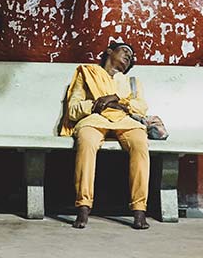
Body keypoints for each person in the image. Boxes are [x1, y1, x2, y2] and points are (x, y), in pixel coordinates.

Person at [60, 41, 150, 230]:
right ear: (110, 51)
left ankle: (139, 210)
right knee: (86, 143)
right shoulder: (87, 73)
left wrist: (117, 99)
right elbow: (73, 110)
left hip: (125, 121)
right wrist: (97, 104)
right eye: (125, 51)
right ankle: (83, 207)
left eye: (131, 56)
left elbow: (141, 107)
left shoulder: (131, 82)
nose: (128, 56)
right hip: (94, 119)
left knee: (140, 144)